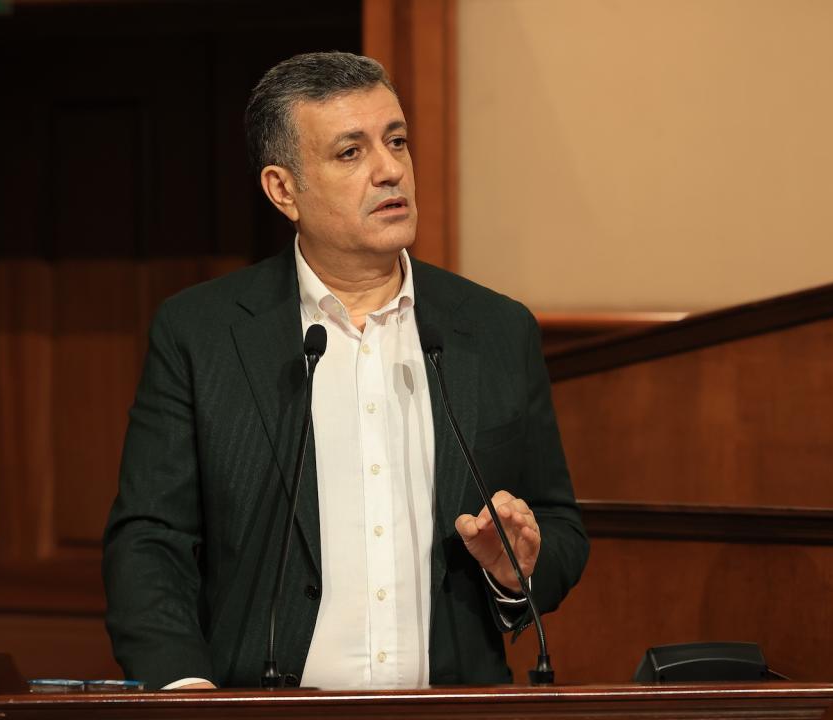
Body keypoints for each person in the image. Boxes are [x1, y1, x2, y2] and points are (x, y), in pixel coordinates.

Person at [102, 51, 588, 690]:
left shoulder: (496, 330)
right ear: (283, 190)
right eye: (351, 152)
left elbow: (558, 526)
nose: (390, 170)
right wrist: (185, 693)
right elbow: (150, 539)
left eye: (397, 141)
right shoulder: (203, 334)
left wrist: (513, 571)